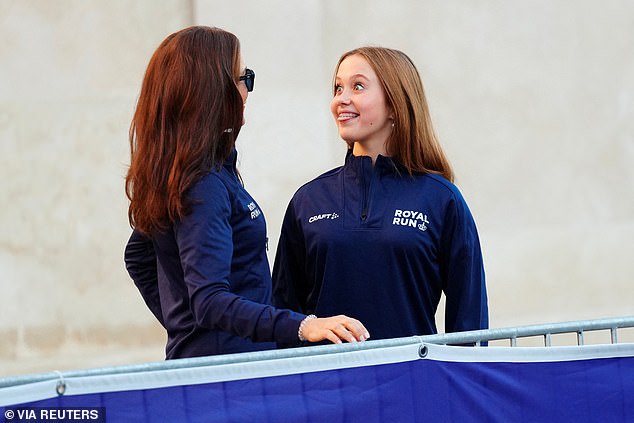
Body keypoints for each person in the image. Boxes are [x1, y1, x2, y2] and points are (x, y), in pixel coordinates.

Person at [124, 26, 369, 359]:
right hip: (227, 377)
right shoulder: (203, 183)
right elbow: (209, 301)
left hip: (218, 364)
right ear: (216, 90)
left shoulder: (195, 171)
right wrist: (303, 325)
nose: (248, 91)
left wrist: (185, 327)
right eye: (245, 78)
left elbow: (138, 256)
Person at [272, 47, 488, 342]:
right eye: (338, 88)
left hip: (410, 381)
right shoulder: (307, 200)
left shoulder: (442, 199)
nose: (341, 99)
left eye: (357, 86)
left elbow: (470, 321)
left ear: (395, 104)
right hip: (328, 385)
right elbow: (284, 314)